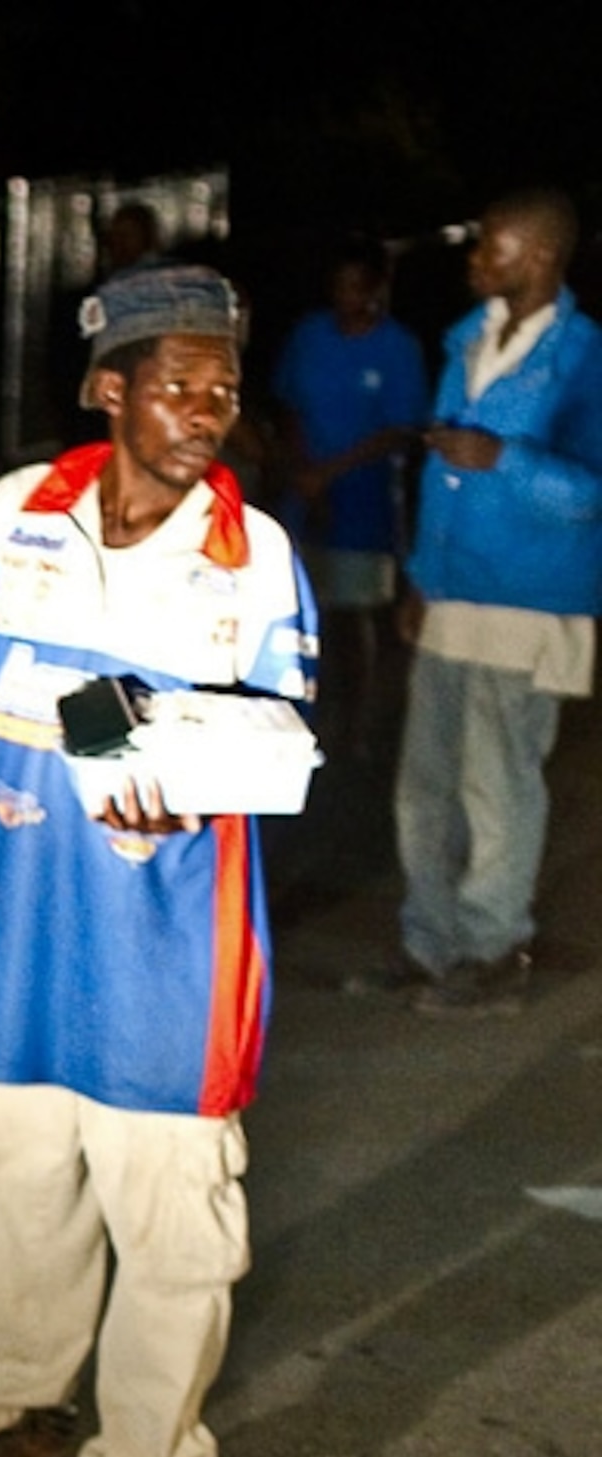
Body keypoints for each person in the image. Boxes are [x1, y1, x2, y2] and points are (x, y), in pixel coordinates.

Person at [0, 264, 316, 1457]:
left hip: (177, 953)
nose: (205, 412)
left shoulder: (252, 558)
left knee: (173, 1214)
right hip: (30, 938)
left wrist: (185, 792)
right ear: (107, 390)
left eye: (223, 390)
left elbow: (277, 745)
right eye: (177, 385)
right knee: (11, 1182)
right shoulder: (19, 516)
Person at [392, 190, 602, 1015]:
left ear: (543, 259)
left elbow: (590, 492)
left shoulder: (584, 356)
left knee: (498, 786)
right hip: (453, 593)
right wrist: (418, 579)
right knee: (426, 786)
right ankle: (431, 946)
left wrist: (503, 459)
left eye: (495, 248)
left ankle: (494, 949)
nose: (477, 260)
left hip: (529, 602)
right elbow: (442, 479)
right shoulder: (468, 341)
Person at [268, 236, 428, 772]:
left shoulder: (397, 347)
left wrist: (330, 473)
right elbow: (288, 403)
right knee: (304, 611)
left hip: (362, 497)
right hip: (304, 488)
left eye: (357, 287)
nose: (346, 297)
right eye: (339, 286)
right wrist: (303, 469)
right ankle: (305, 716)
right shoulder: (310, 335)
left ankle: (356, 723)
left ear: (377, 289)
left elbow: (400, 430)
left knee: (354, 617)